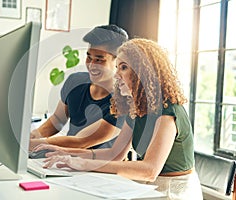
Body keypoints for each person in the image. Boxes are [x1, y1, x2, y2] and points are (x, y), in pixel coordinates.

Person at [34, 38, 203, 199]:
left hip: (173, 191)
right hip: (150, 187)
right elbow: (114, 154)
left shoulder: (167, 110)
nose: (116, 75)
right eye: (117, 68)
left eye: (123, 67)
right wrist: (68, 153)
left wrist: (82, 163)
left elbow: (149, 170)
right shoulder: (136, 109)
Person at [29, 25, 128, 155]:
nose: (91, 65)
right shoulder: (75, 81)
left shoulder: (124, 100)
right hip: (60, 158)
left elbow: (81, 142)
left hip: (95, 167)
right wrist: (32, 136)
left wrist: (33, 144)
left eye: (99, 59)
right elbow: (58, 120)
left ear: (118, 61)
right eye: (89, 57)